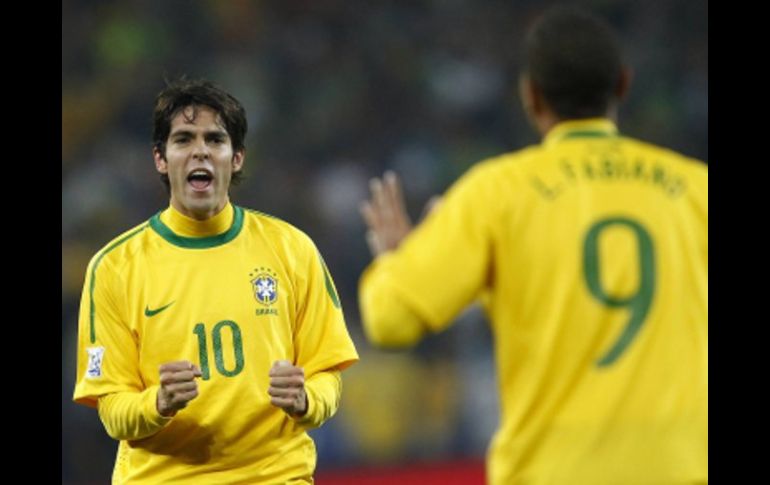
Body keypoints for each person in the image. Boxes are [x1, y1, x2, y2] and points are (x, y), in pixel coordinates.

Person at [358, 6, 706, 485]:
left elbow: (389, 321)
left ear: (530, 96)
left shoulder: (497, 193)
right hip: (682, 470)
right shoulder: (695, 190)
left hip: (553, 472)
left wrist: (399, 260)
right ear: (623, 85)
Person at [73, 78, 359, 484]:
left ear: (236, 157)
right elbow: (113, 413)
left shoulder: (292, 249)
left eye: (215, 139)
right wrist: (159, 401)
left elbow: (326, 375)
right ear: (160, 158)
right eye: (183, 139)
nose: (200, 151)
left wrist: (306, 401)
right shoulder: (116, 267)